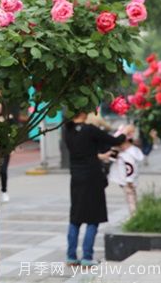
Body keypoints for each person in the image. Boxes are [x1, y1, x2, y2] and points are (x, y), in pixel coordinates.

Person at [64, 112, 132, 267]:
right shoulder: (90, 129)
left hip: (76, 177)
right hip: (93, 177)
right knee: (93, 217)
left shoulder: (67, 130)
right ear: (83, 112)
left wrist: (100, 156)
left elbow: (85, 153)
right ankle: (87, 257)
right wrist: (125, 132)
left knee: (75, 217)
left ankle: (71, 256)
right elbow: (114, 140)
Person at [108, 126, 144, 215]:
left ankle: (134, 216)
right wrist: (115, 150)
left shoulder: (128, 154)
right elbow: (111, 158)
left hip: (128, 181)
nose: (116, 145)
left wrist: (129, 181)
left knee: (131, 198)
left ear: (126, 141)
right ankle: (133, 214)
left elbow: (130, 168)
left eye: (118, 143)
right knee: (130, 198)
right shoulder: (122, 151)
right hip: (124, 180)